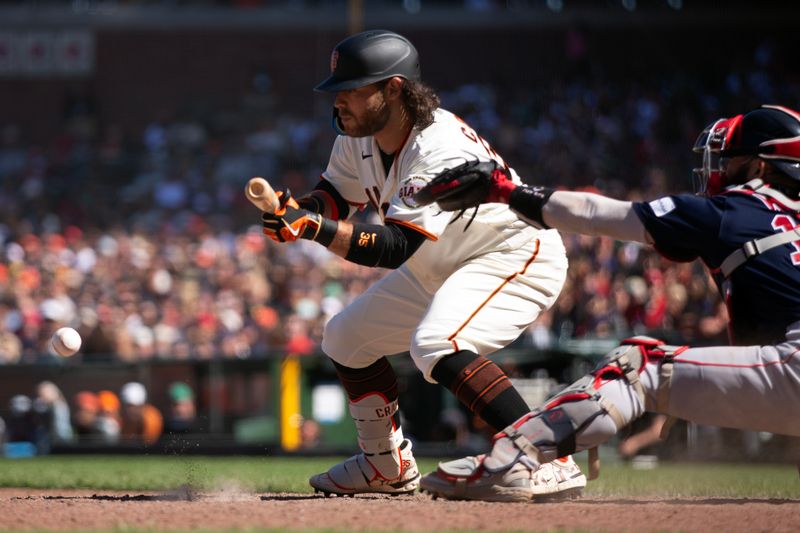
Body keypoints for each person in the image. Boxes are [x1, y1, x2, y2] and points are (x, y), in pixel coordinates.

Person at [411, 104, 800, 501]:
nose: (720, 168)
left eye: (732, 159)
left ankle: (512, 460)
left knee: (638, 367)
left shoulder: (737, 211)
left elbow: (600, 214)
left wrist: (506, 191)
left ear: (761, 167)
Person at [259, 29, 586, 498]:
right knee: (346, 338)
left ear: (393, 88)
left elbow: (392, 247)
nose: (339, 102)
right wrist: (300, 213)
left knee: (436, 342)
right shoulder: (361, 134)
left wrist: (309, 227)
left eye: (353, 90)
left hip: (510, 253)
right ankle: (385, 466)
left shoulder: (439, 145)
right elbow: (335, 197)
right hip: (440, 261)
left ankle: (550, 457)